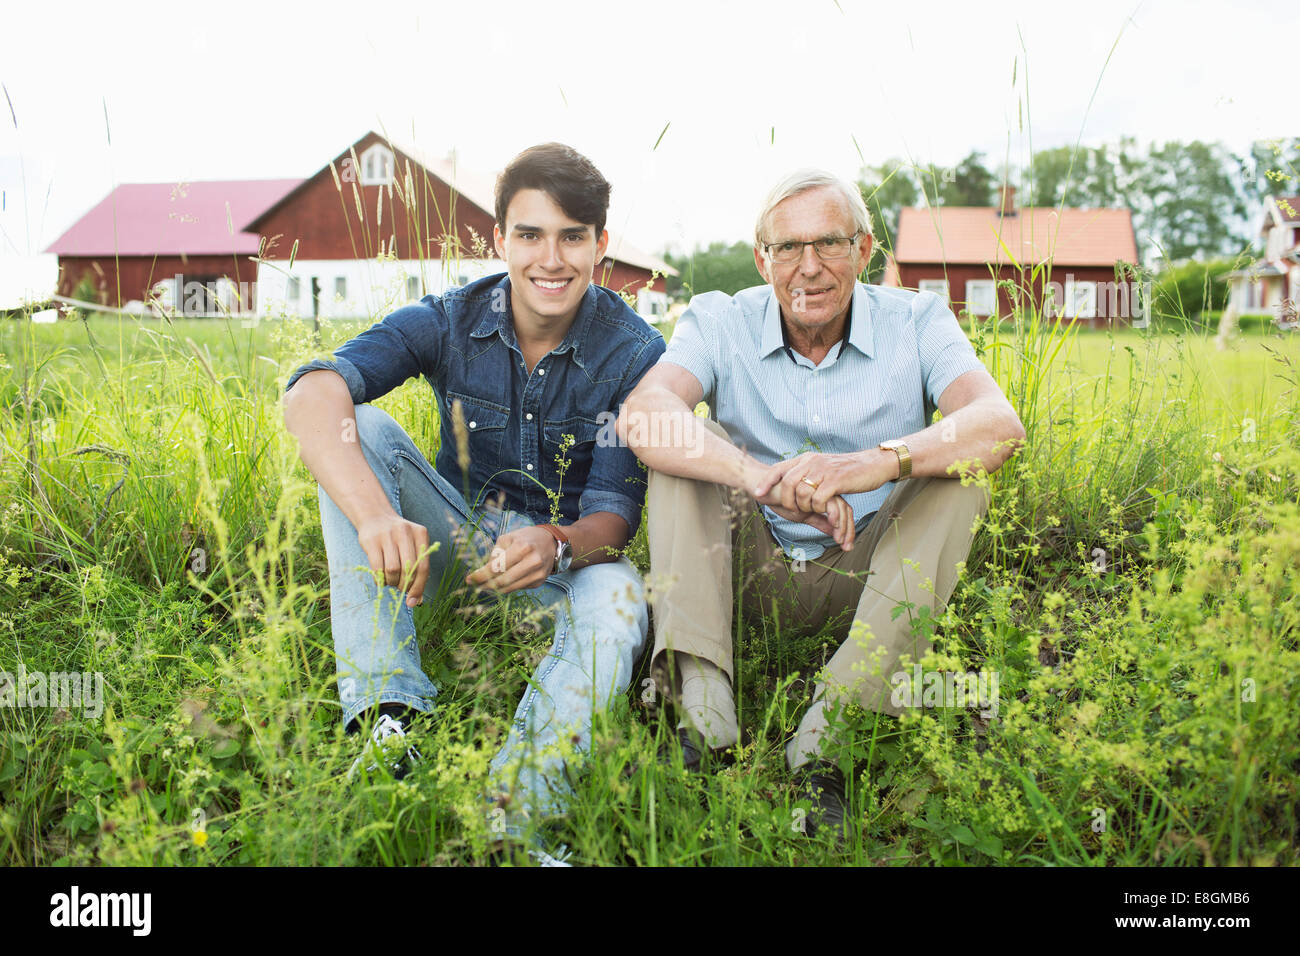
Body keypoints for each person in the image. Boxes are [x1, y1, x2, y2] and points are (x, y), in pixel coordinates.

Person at [283, 142, 665, 862]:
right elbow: (312, 390)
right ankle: (386, 722)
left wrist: (555, 541)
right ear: (499, 240)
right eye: (529, 235)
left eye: (571, 237)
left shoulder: (636, 352)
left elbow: (614, 517)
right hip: (449, 553)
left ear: (600, 246)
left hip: (561, 569)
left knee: (622, 596)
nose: (550, 259)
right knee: (358, 423)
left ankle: (514, 819)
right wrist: (374, 513)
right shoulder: (450, 318)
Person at [617, 168, 1025, 838]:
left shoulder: (919, 319)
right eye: (787, 248)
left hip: (865, 569)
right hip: (745, 567)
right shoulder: (721, 317)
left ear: (864, 251)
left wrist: (872, 464)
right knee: (691, 442)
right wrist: (757, 476)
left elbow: (997, 424)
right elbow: (644, 415)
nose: (807, 268)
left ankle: (831, 733)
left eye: (829, 244)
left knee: (961, 467)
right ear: (762, 259)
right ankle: (705, 709)